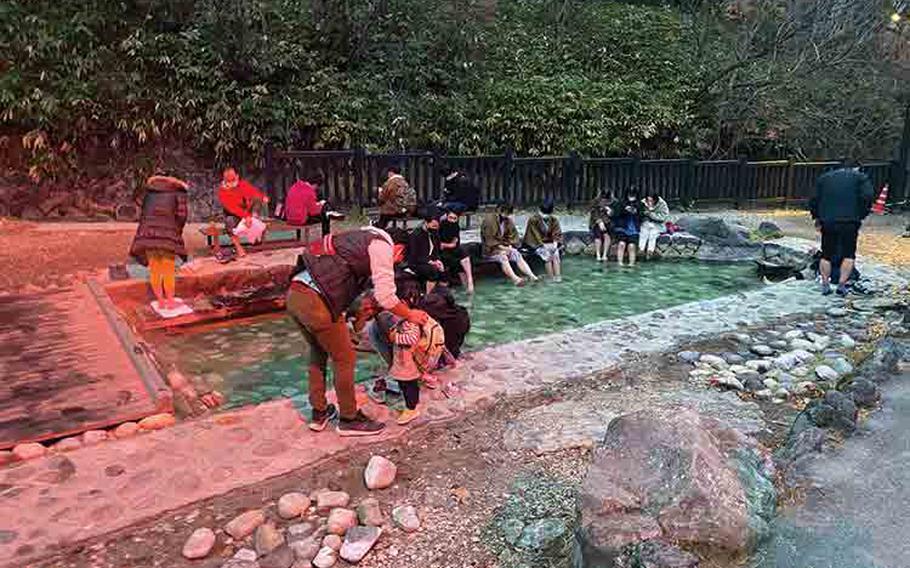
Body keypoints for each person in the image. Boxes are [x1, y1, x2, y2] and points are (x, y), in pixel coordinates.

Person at [286, 227, 429, 436]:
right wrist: (410, 315)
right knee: (345, 358)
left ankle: (319, 413)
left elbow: (343, 282)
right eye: (399, 258)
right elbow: (386, 297)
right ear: (399, 249)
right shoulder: (382, 246)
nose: (396, 263)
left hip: (295, 294)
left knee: (318, 352)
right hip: (317, 301)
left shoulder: (362, 235)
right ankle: (349, 419)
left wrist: (356, 320)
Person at [809, 164, 874, 296]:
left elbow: (814, 199)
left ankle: (825, 284)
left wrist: (817, 217)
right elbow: (867, 196)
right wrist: (861, 214)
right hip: (850, 220)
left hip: (828, 220)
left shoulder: (824, 178)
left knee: (826, 253)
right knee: (849, 254)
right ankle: (841, 285)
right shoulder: (860, 177)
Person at [129, 175, 189, 311]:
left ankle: (161, 301)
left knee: (155, 270)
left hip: (147, 235)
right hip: (167, 234)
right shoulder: (178, 192)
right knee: (168, 271)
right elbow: (182, 216)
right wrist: (176, 231)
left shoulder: (150, 193)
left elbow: (143, 213)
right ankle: (170, 302)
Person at [481, 202, 538, 286]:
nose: (507, 215)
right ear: (500, 210)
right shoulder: (489, 221)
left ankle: (532, 276)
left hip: (505, 247)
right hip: (490, 250)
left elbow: (512, 236)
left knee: (516, 253)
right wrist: (503, 249)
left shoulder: (508, 220)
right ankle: (515, 279)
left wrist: (509, 246)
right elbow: (490, 240)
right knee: (503, 257)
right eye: (506, 212)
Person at [217, 168, 269, 258]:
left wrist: (262, 197)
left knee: (257, 199)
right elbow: (233, 208)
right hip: (233, 215)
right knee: (229, 221)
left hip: (247, 212)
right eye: (228, 181)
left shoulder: (242, 184)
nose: (231, 183)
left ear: (237, 177)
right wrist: (246, 217)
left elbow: (253, 192)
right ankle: (238, 247)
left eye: (233, 180)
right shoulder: (222, 191)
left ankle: (255, 222)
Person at [406, 205, 446, 292]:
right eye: (433, 225)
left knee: (444, 270)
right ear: (426, 223)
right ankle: (428, 296)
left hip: (430, 260)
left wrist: (438, 261)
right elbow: (414, 255)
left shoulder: (435, 233)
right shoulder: (416, 235)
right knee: (433, 271)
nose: (435, 228)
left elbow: (436, 251)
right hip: (417, 263)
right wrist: (430, 262)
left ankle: (442, 294)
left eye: (436, 226)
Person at [523, 198, 563, 282]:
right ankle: (551, 277)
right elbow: (534, 235)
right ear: (539, 210)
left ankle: (558, 277)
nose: (545, 215)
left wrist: (555, 245)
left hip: (549, 242)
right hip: (534, 243)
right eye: (544, 213)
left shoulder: (554, 220)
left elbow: (557, 233)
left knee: (555, 254)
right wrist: (543, 245)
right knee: (547, 255)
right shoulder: (533, 220)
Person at [439, 206, 475, 294]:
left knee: (464, 255)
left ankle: (470, 282)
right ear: (447, 217)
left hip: (452, 249)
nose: (452, 220)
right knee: (450, 261)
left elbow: (455, 243)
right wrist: (448, 245)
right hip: (441, 251)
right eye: (450, 218)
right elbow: (439, 244)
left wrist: (448, 245)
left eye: (454, 218)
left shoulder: (456, 226)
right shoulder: (441, 225)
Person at [613, 188, 642, 266]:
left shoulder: (640, 204)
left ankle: (631, 264)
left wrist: (636, 212)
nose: (631, 197)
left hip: (634, 228)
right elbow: (616, 214)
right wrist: (625, 210)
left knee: (631, 246)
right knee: (621, 244)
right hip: (622, 227)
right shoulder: (621, 203)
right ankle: (620, 263)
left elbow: (642, 215)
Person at [639, 193, 670, 260]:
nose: (650, 202)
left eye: (651, 201)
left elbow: (663, 217)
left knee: (652, 234)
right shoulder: (642, 203)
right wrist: (644, 214)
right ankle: (641, 250)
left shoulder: (662, 204)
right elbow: (639, 214)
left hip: (658, 225)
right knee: (643, 233)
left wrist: (651, 214)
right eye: (648, 200)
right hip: (645, 223)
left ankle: (650, 252)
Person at [589, 190, 615, 262]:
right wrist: (599, 221)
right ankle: (598, 254)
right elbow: (594, 213)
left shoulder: (613, 202)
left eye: (606, 200)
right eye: (603, 199)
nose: (604, 201)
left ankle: (604, 255)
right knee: (598, 235)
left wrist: (610, 212)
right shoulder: (595, 202)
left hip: (608, 222)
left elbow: (614, 214)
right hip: (596, 222)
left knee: (607, 235)